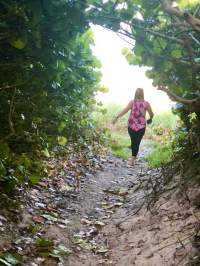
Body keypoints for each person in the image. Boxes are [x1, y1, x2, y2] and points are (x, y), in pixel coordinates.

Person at [112, 88, 154, 165]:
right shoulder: (146, 103)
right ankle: (133, 158)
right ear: (143, 94)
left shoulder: (132, 102)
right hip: (141, 126)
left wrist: (116, 117)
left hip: (131, 125)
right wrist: (150, 118)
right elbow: (151, 114)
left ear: (135, 94)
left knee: (134, 141)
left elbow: (125, 110)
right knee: (136, 142)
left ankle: (132, 158)